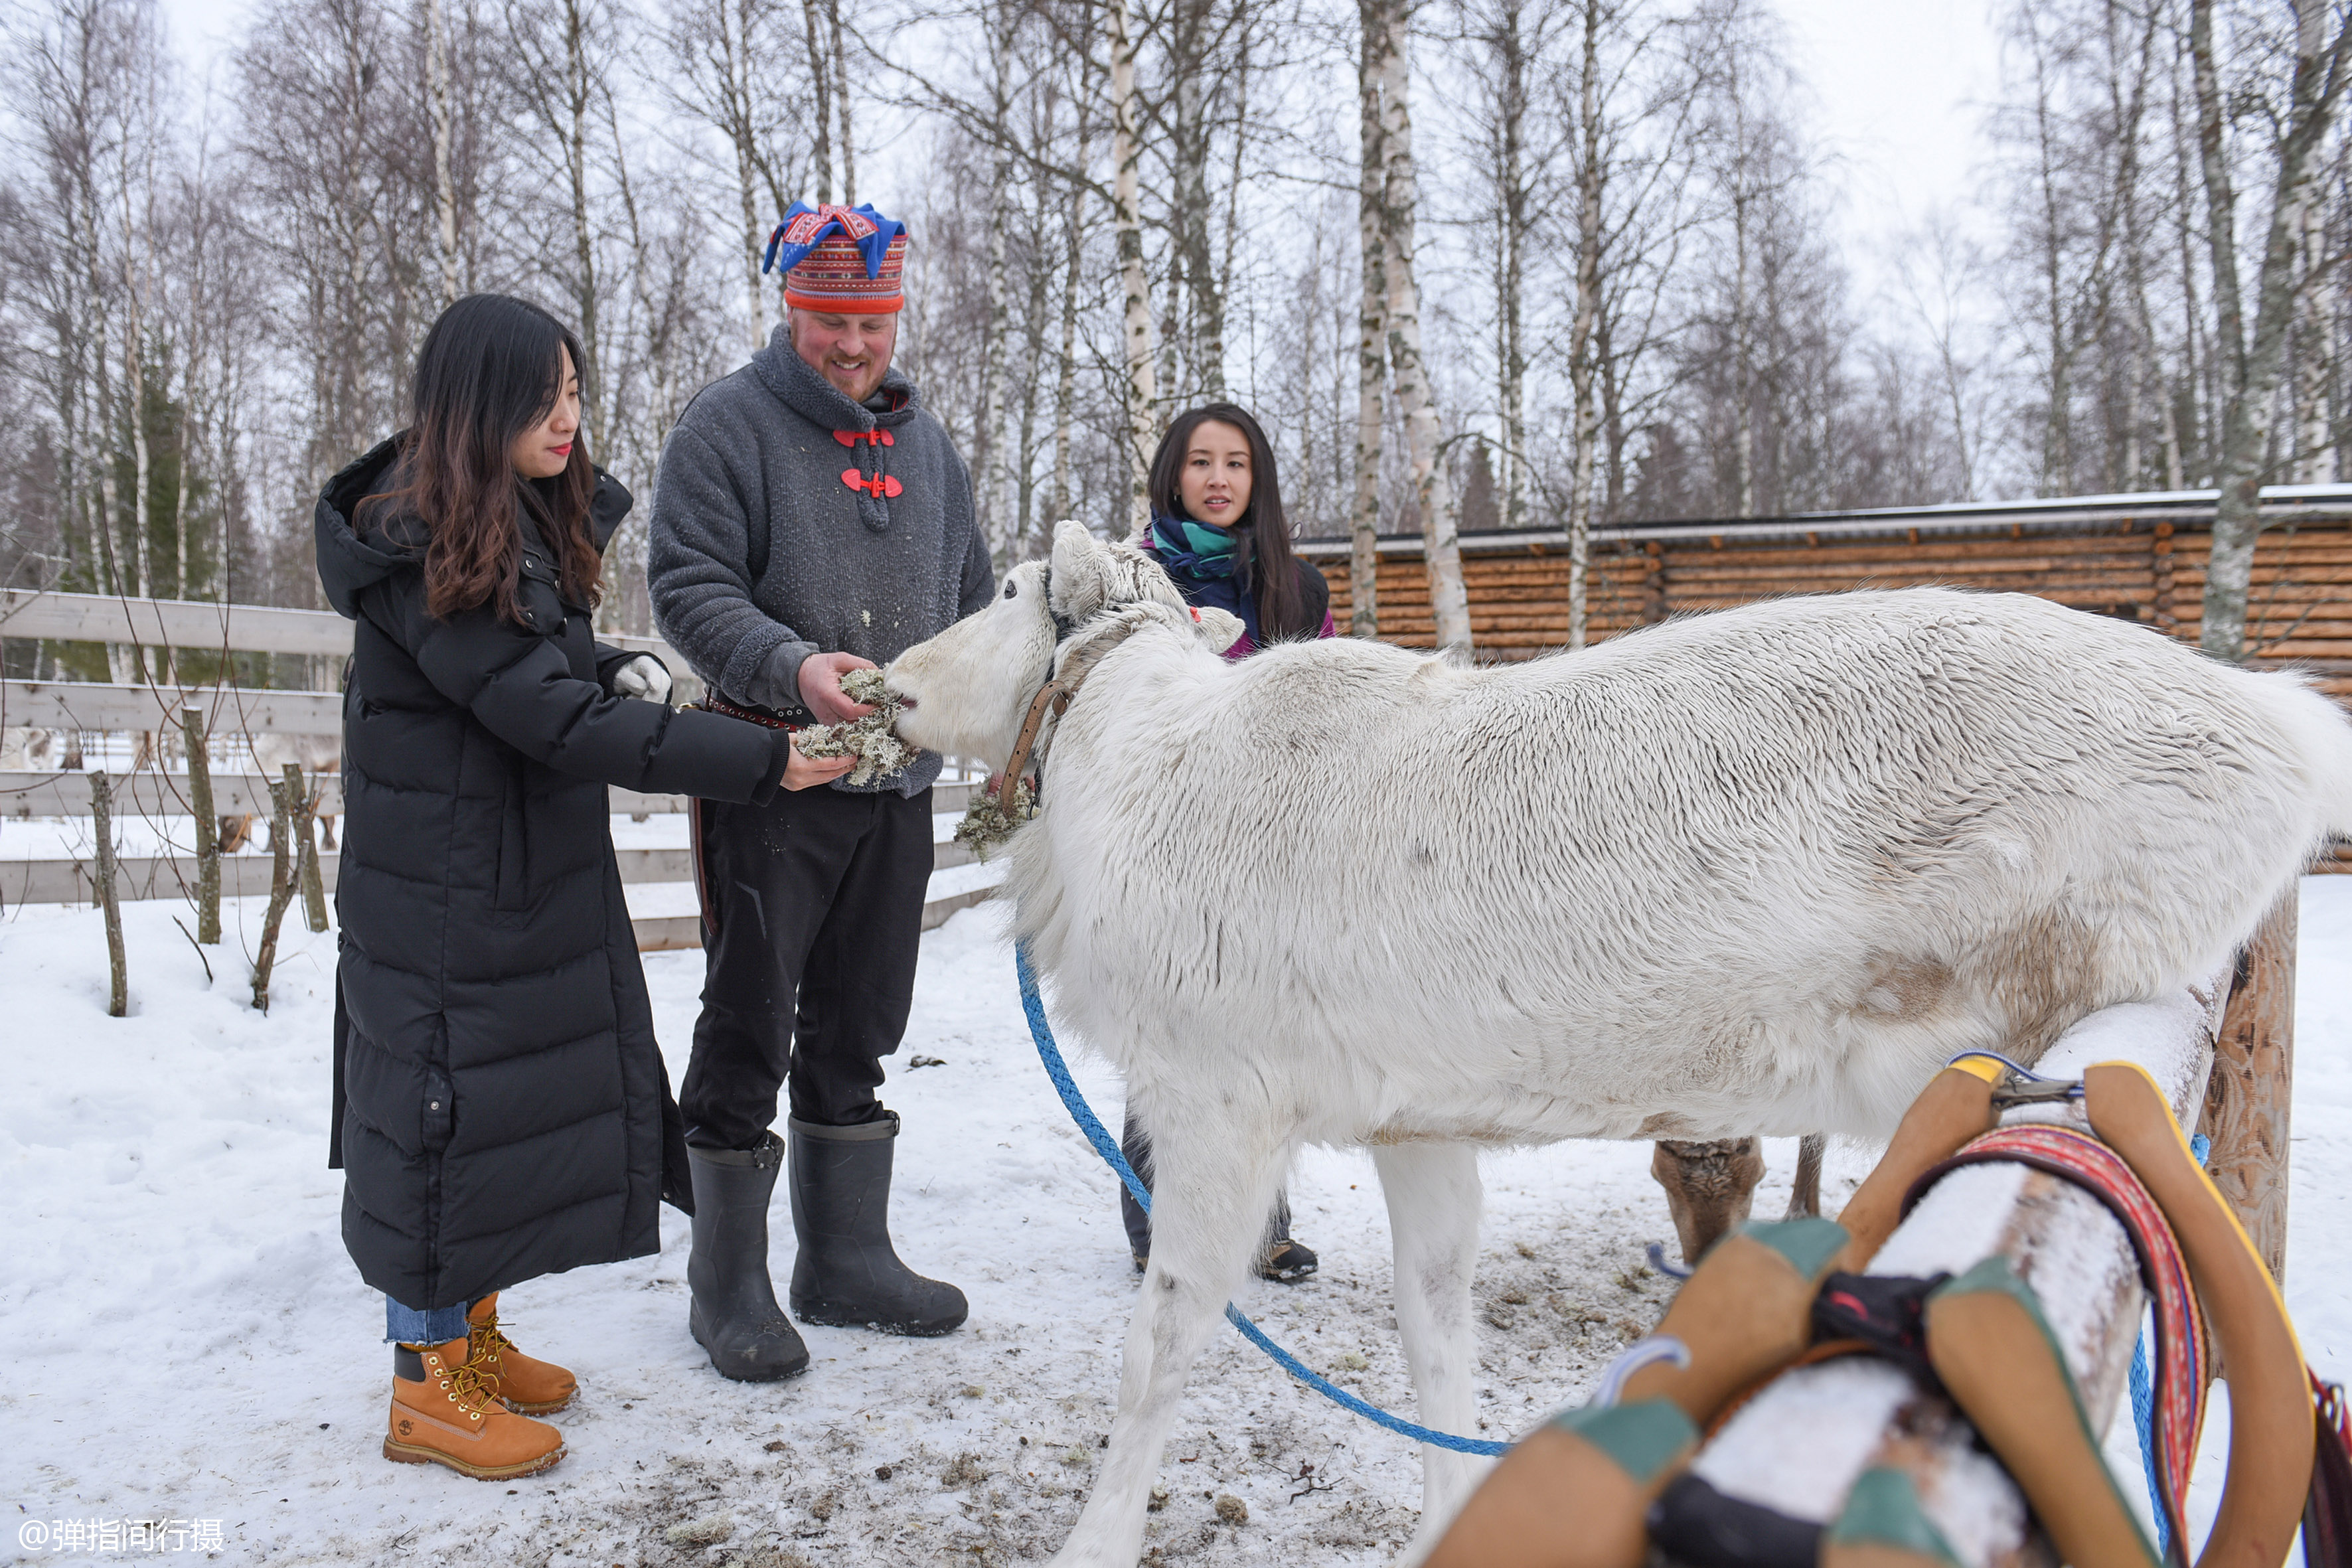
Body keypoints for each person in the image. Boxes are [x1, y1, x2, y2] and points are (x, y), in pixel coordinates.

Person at [315, 293, 845, 1481]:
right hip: (444, 901)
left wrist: (621, 658)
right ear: (480, 403)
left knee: (488, 1118)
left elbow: (538, 664)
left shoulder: (490, 526)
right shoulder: (417, 545)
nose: (569, 418)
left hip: (497, 880)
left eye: (575, 391)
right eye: (545, 396)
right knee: (440, 1130)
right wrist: (762, 757)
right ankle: (426, 1390)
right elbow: (547, 716)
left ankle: (473, 1343)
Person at [647, 201, 994, 1382]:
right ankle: (727, 1285)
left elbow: (974, 603)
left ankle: (843, 1256)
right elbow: (687, 586)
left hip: (895, 788)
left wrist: (977, 717)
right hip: (773, 776)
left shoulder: (932, 448)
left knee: (861, 1021)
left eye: (874, 323)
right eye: (829, 321)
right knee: (751, 1014)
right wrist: (794, 667)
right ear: (788, 307)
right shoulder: (727, 426)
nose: (854, 346)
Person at [1121, 401, 1335, 1281]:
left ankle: (1264, 1221)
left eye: (1236, 463)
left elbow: (1327, 708)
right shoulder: (1136, 580)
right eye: (1201, 461)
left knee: (1267, 1035)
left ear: (1259, 479)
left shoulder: (1298, 587)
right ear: (1173, 473)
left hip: (1271, 845)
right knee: (1163, 1034)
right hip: (1162, 840)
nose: (1218, 478)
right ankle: (1155, 1218)